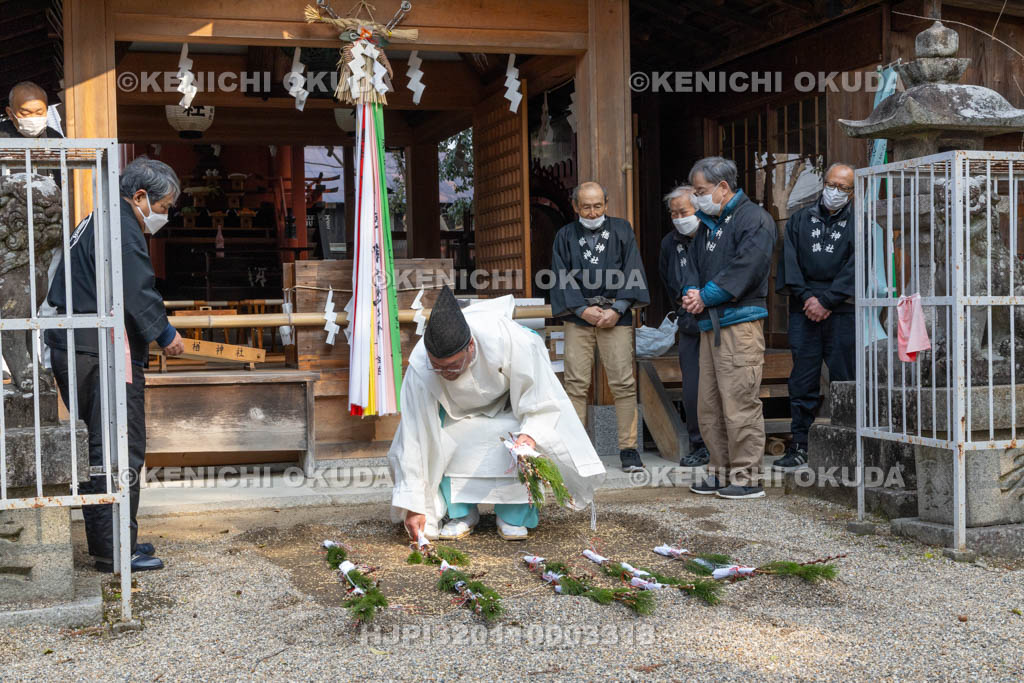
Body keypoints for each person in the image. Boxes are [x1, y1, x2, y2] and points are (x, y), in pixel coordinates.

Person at [46, 157, 185, 572]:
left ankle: (118, 540)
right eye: (162, 208)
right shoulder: (122, 225)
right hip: (95, 351)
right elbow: (137, 288)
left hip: (78, 343)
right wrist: (164, 333)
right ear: (140, 197)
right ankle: (115, 549)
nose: (162, 216)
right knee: (119, 447)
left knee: (106, 446)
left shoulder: (98, 218)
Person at [388, 286, 605, 542]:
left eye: (453, 365)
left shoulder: (510, 339)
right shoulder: (421, 367)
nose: (446, 373)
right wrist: (414, 505)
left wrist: (530, 434)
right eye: (438, 368)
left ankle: (513, 516)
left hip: (509, 408)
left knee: (519, 444)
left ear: (470, 345)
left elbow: (540, 398)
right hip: (457, 416)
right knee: (440, 440)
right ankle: (461, 514)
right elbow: (415, 434)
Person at [680, 157, 776, 500]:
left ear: (723, 187)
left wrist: (704, 296)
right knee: (709, 405)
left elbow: (746, 267)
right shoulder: (708, 223)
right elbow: (691, 265)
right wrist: (691, 293)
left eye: (701, 190)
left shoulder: (755, 219)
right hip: (709, 324)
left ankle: (747, 477)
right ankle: (719, 471)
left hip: (739, 325)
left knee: (739, 403)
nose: (696, 197)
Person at [550, 181, 650, 473]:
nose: (592, 212)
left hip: (615, 315)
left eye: (597, 206)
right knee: (575, 384)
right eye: (586, 206)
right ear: (575, 207)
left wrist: (618, 309)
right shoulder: (565, 235)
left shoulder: (621, 230)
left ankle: (629, 449)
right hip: (578, 315)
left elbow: (633, 269)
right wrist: (582, 309)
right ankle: (577, 449)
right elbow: (560, 275)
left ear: (606, 204)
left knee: (623, 382)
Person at [774, 163, 856, 471]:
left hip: (842, 309)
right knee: (803, 379)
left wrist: (828, 300)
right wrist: (808, 298)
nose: (835, 191)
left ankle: (848, 443)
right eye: (831, 184)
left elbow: (857, 265)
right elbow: (790, 263)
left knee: (845, 378)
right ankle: (799, 445)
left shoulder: (858, 222)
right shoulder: (799, 219)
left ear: (852, 191)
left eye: (843, 187)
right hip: (804, 308)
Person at [658, 184, 709, 467]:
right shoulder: (670, 242)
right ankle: (698, 444)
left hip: (715, 321)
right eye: (674, 213)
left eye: (684, 212)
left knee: (718, 387)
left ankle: (721, 445)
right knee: (692, 388)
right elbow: (667, 279)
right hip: (688, 322)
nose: (678, 218)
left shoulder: (712, 235)